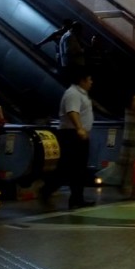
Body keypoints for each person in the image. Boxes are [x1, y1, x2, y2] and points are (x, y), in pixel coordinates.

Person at [40, 69, 96, 209]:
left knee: (79, 168)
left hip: (78, 134)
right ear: (82, 80)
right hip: (71, 135)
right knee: (67, 167)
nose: (91, 82)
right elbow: (72, 111)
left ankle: (77, 198)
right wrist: (79, 129)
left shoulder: (81, 93)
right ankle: (47, 189)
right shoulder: (73, 93)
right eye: (89, 79)